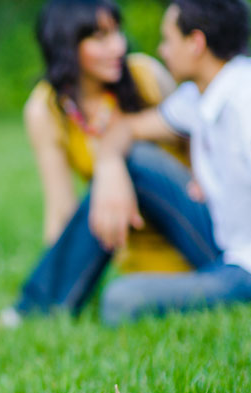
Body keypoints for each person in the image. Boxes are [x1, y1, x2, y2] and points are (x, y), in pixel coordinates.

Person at [2, 0, 251, 326]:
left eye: (168, 40)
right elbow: (126, 130)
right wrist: (109, 166)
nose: (162, 50)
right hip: (225, 241)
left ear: (196, 43)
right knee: (134, 158)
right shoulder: (201, 96)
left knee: (122, 300)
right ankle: (37, 306)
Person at [24, 0, 191, 268]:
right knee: (117, 302)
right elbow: (62, 211)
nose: (118, 47)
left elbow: (199, 146)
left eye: (117, 32)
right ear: (66, 44)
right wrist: (57, 278)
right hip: (135, 252)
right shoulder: (47, 108)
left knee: (134, 156)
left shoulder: (146, 76)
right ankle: (44, 302)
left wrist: (110, 161)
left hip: (190, 225)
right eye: (100, 38)